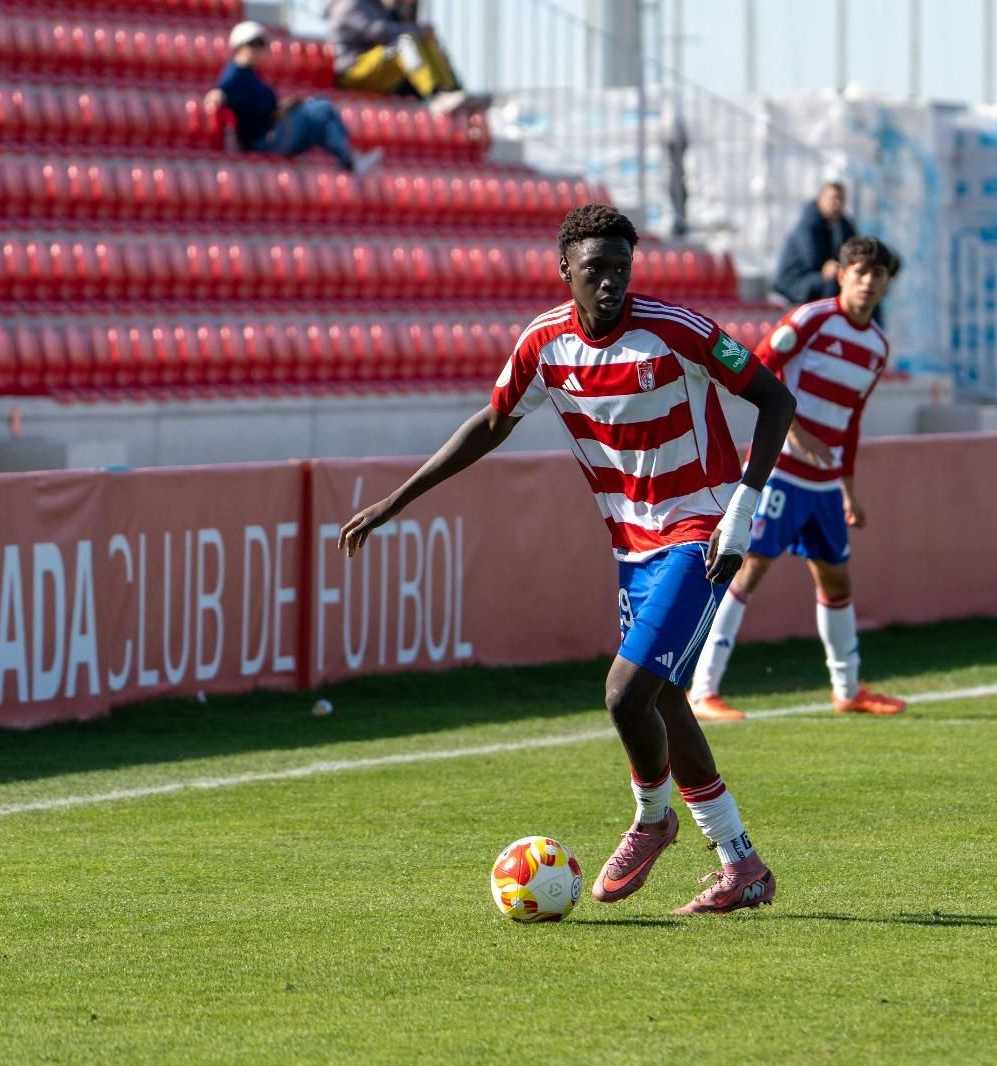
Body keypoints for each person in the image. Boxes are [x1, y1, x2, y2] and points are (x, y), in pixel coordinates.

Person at [339, 204, 798, 916]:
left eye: (621, 267)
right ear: (565, 271)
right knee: (662, 700)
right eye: (596, 269)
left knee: (624, 694)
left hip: (701, 534)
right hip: (632, 546)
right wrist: (396, 500)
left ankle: (652, 820)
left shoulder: (677, 330)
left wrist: (743, 510)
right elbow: (493, 422)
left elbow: (775, 399)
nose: (611, 281)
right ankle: (742, 865)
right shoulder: (545, 343)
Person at [687, 236, 907, 722]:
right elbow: (760, 367)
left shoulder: (877, 347)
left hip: (825, 486)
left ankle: (847, 690)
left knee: (836, 578)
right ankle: (702, 690)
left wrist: (849, 491)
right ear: (842, 275)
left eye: (878, 275)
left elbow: (851, 422)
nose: (868, 282)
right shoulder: (811, 318)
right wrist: (795, 430)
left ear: (887, 284)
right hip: (781, 472)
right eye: (860, 272)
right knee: (747, 569)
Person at [206, 21, 384, 175]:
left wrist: (288, 106)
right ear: (240, 46)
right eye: (254, 43)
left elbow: (263, 108)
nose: (259, 49)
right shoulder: (236, 73)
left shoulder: (250, 74)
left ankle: (348, 158)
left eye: (261, 44)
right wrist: (217, 94)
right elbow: (221, 91)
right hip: (265, 142)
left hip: (272, 133)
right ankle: (349, 160)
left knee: (319, 104)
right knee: (321, 110)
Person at [324, 0, 492, 116]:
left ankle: (450, 89)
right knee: (407, 41)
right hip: (354, 72)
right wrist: (415, 29)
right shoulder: (350, 4)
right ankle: (435, 95)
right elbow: (378, 31)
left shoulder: (375, 5)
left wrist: (410, 17)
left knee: (423, 39)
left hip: (376, 66)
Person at [772, 182, 858, 307]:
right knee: (831, 283)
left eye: (841, 199)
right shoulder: (807, 226)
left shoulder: (843, 225)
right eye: (833, 199)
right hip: (794, 283)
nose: (837, 203)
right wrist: (836, 266)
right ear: (820, 199)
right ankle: (828, 317)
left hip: (816, 278)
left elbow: (856, 249)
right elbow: (814, 262)